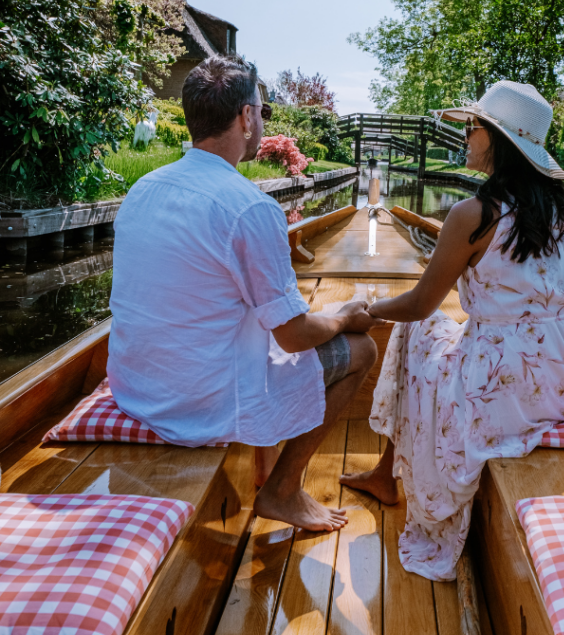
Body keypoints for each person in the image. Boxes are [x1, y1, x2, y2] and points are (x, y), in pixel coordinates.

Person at [107, 54, 379, 532]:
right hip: (199, 403)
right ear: (246, 117)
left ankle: (263, 465)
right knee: (360, 348)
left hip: (138, 389)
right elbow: (295, 336)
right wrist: (344, 317)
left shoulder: (142, 189)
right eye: (263, 110)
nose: (262, 119)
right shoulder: (250, 209)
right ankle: (283, 489)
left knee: (248, 323)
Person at [340, 81, 564, 580]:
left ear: (497, 139)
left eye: (473, 127)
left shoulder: (472, 214)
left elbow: (418, 304)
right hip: (560, 376)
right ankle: (385, 474)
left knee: (415, 330)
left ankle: (385, 473)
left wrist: (367, 309)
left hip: (498, 386)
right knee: (448, 332)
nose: (467, 136)